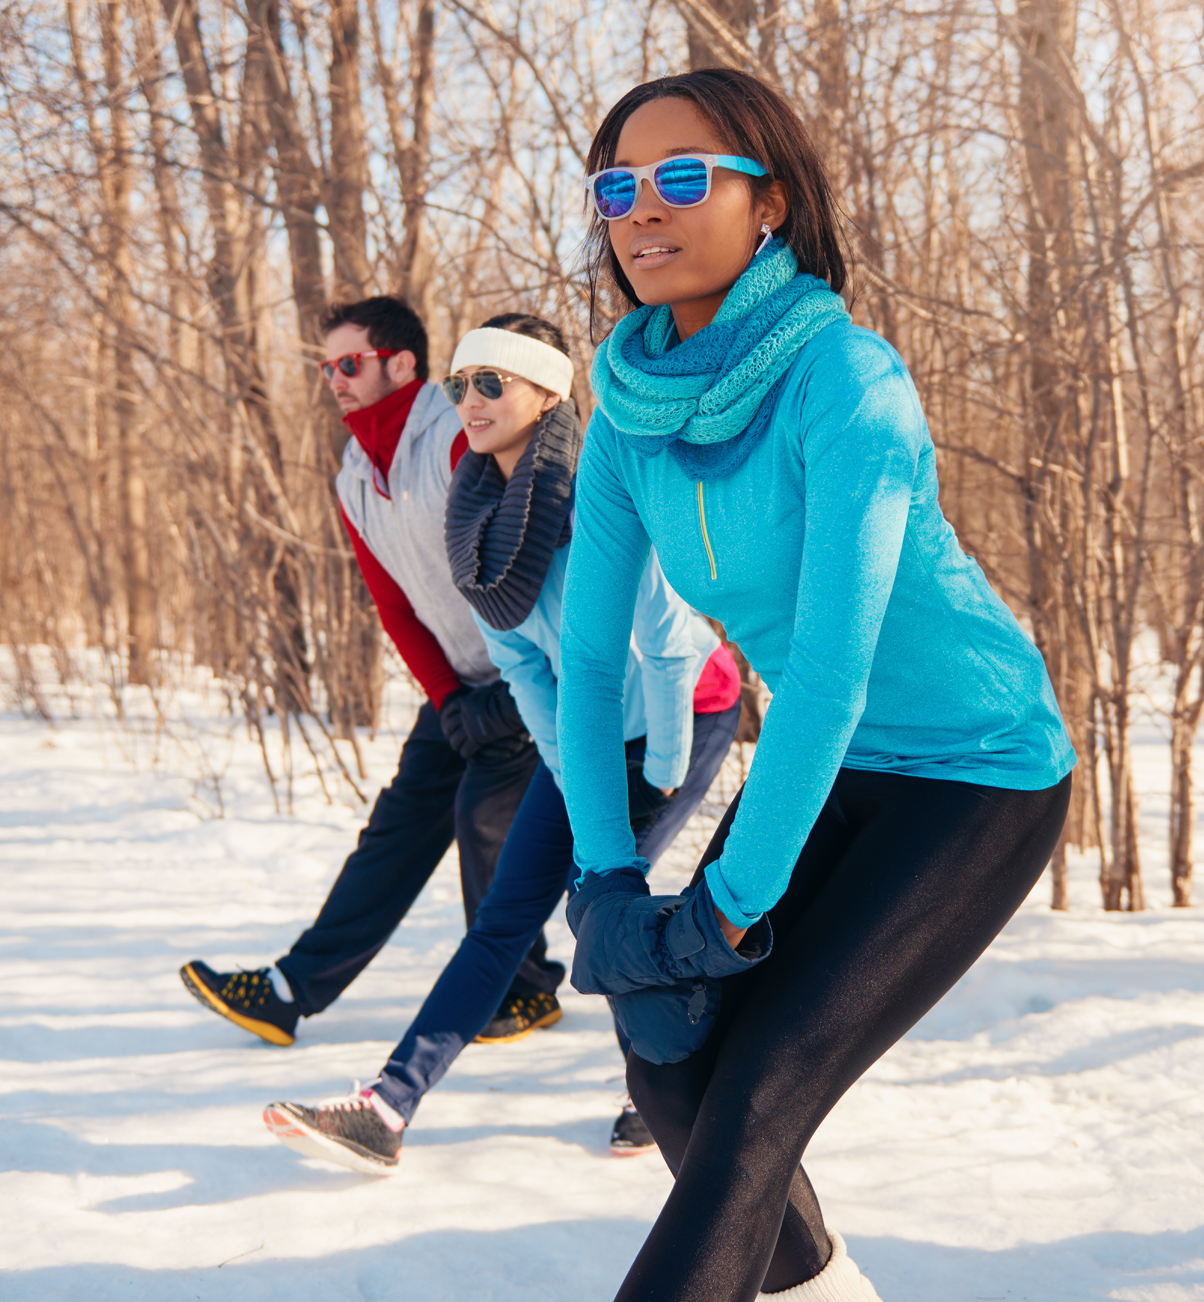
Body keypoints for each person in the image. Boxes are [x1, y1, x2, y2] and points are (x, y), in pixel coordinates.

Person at [556, 70, 1076, 1302]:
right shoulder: (631, 410)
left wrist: (725, 908)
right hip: (837, 761)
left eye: (685, 178)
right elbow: (588, 659)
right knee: (669, 1069)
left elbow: (835, 671)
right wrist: (604, 878)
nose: (643, 210)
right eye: (618, 187)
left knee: (755, 1099)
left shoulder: (847, 380)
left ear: (770, 205)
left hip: (978, 772)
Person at [259, 313, 743, 1171]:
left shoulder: (604, 493)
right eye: (460, 384)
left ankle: (671, 1087)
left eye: (493, 383)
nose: (470, 402)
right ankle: (387, 1106)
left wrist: (661, 771)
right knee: (503, 919)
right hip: (588, 726)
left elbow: (668, 644)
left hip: (681, 714)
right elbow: (517, 658)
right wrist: (566, 769)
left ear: (549, 393)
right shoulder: (475, 515)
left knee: (606, 907)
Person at [180, 295, 562, 1048]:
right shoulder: (355, 471)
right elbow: (394, 604)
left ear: (403, 364)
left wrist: (512, 689)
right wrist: (449, 699)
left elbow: (530, 554)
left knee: (485, 824)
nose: (336, 381)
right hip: (462, 684)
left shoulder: (462, 432)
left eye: (349, 364)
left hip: (533, 671)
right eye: (328, 369)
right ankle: (290, 992)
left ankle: (526, 989)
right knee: (394, 831)